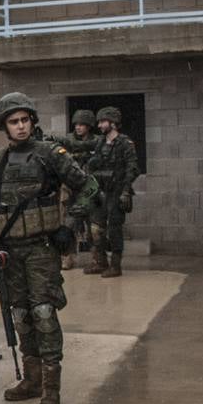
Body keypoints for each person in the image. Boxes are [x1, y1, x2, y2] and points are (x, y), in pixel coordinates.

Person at [0, 92, 98, 404]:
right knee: (20, 314)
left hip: (41, 248)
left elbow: (88, 187)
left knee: (44, 312)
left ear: (32, 121)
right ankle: (31, 380)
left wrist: (70, 225)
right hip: (9, 252)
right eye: (13, 121)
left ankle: (51, 387)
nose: (20, 127)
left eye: (24, 120)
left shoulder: (49, 154)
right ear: (4, 126)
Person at [83, 106, 140, 279]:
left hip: (117, 191)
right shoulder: (101, 142)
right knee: (95, 228)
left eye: (103, 122)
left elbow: (133, 168)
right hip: (101, 191)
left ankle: (115, 266)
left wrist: (125, 191)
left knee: (114, 229)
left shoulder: (125, 143)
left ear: (113, 123)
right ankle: (100, 262)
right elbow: (94, 162)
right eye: (99, 122)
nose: (99, 125)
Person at [53, 109, 99, 270]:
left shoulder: (97, 141)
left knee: (93, 226)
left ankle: (97, 257)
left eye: (82, 125)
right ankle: (67, 257)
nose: (78, 127)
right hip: (70, 188)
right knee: (68, 224)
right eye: (77, 124)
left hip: (89, 189)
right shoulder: (68, 141)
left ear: (89, 126)